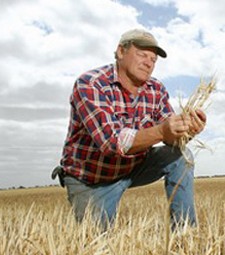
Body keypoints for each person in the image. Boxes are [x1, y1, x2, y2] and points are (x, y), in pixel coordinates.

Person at [52, 28, 206, 230]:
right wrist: (162, 131)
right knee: (97, 247)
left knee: (181, 156)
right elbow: (111, 142)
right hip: (92, 179)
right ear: (120, 52)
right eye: (142, 54)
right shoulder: (91, 84)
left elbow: (170, 137)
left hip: (132, 167)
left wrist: (186, 131)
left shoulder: (156, 89)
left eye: (153, 59)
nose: (149, 62)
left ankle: (186, 234)